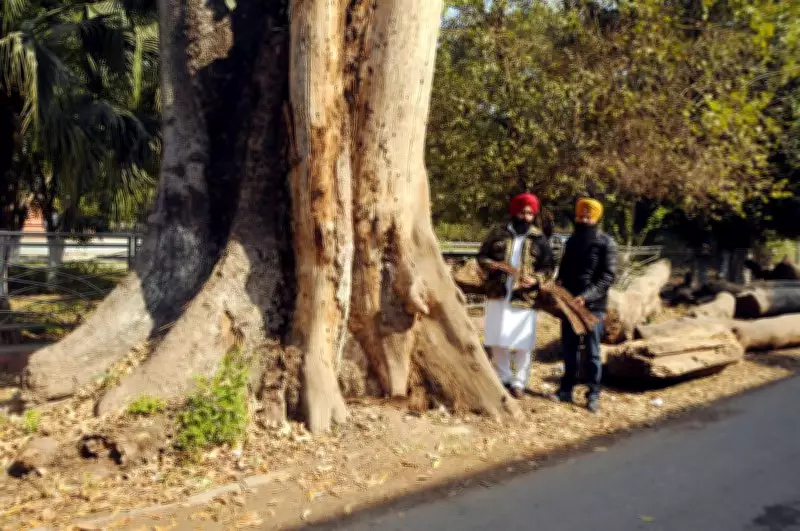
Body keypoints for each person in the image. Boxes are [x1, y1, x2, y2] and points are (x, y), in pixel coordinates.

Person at [477, 193, 554, 398]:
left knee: (523, 342)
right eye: (522, 212)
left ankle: (519, 382)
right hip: (498, 292)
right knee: (497, 338)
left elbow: (548, 267)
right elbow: (482, 256)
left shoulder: (539, 239)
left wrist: (536, 280)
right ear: (514, 212)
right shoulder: (497, 233)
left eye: (530, 213)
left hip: (524, 298)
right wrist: (491, 265)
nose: (526, 216)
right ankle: (503, 378)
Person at [554, 196, 617, 413]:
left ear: (596, 219)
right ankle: (566, 389)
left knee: (592, 352)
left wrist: (586, 297)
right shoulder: (571, 241)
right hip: (569, 304)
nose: (582, 220)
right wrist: (558, 288)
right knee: (569, 349)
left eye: (587, 217)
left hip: (593, 306)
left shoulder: (606, 243)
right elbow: (563, 271)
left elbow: (607, 277)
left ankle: (593, 394)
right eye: (580, 216)